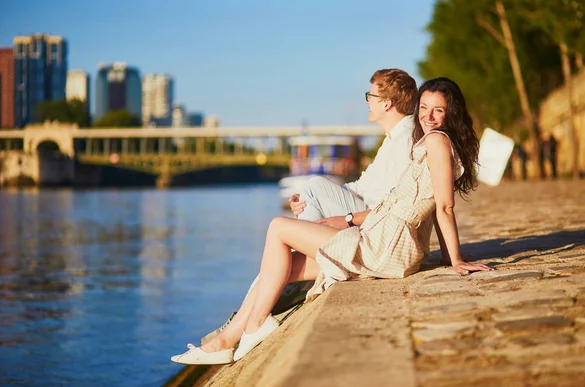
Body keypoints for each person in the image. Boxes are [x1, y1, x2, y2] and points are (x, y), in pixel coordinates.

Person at [170, 77, 492, 366]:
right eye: (424, 107)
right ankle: (228, 340)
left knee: (278, 228)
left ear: (452, 113)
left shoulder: (435, 142)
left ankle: (254, 327)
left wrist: (457, 259)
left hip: (385, 245)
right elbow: (434, 203)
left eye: (438, 110)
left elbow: (444, 208)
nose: (428, 116)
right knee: (284, 267)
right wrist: (450, 257)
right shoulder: (432, 142)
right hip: (387, 240)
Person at [290, 68, 418, 229]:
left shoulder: (405, 140)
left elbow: (398, 201)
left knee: (314, 185)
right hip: (369, 215)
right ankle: (307, 249)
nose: (367, 102)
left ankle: (306, 249)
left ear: (386, 103)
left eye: (370, 96)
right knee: (312, 190)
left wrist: (349, 219)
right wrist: (308, 198)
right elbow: (362, 186)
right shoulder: (393, 138)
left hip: (378, 222)